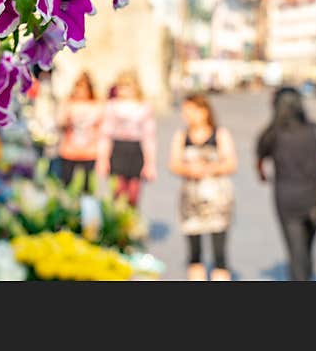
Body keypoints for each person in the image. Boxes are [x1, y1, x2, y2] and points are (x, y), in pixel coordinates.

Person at [256, 86, 316, 281]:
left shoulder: (272, 134)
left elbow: (260, 161)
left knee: (295, 250)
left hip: (287, 200)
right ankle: (306, 275)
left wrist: (263, 176)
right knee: (307, 246)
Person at [169, 93, 237, 281]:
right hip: (191, 199)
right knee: (194, 251)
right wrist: (190, 170)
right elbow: (173, 164)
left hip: (218, 198)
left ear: (204, 111)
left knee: (219, 251)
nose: (187, 115)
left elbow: (231, 163)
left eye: (191, 110)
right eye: (185, 112)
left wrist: (208, 168)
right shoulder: (182, 136)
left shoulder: (220, 134)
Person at [98, 71, 156, 206]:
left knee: (134, 192)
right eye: (121, 86)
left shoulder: (143, 107)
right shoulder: (112, 107)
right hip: (118, 148)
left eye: (127, 86)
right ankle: (119, 220)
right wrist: (103, 160)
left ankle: (132, 221)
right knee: (118, 190)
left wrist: (150, 163)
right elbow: (105, 136)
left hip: (135, 149)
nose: (124, 90)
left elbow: (149, 137)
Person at [56, 72, 102, 191]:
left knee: (87, 186)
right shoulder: (69, 104)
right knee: (66, 183)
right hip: (70, 150)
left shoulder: (96, 105)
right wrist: (66, 121)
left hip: (89, 151)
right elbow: (60, 123)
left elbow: (102, 127)